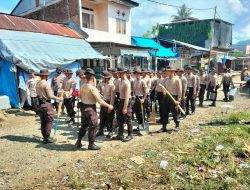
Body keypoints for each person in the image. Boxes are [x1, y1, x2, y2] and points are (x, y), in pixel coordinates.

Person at [75, 68, 113, 150]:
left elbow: (80, 97)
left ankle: (79, 141)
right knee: (93, 126)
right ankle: (91, 144)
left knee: (83, 126)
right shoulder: (92, 88)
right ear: (92, 77)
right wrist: (109, 106)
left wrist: (97, 95)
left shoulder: (83, 86)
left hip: (83, 107)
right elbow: (100, 102)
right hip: (90, 109)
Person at [36, 69, 62, 144]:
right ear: (46, 75)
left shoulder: (37, 83)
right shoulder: (46, 84)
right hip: (46, 104)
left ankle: (45, 137)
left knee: (43, 121)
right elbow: (50, 96)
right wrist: (59, 98)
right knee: (49, 120)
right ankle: (47, 137)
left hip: (40, 104)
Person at [158, 66, 182, 132]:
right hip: (166, 97)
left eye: (168, 71)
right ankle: (164, 127)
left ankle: (177, 125)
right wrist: (164, 91)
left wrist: (178, 100)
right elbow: (163, 87)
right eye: (166, 71)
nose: (166, 72)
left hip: (174, 97)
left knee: (175, 112)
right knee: (164, 112)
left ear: (172, 72)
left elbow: (179, 90)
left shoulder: (177, 80)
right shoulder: (165, 79)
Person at [114, 67, 133, 142]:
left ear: (123, 73)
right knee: (119, 117)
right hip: (121, 100)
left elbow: (127, 96)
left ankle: (130, 134)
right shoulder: (120, 81)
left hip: (126, 101)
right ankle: (120, 134)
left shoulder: (126, 82)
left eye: (119, 73)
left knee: (127, 118)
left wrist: (125, 107)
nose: (117, 74)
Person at [96, 71, 115, 138]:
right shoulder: (100, 83)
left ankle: (110, 131)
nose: (102, 78)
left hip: (109, 102)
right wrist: (99, 94)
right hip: (103, 102)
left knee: (110, 118)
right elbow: (97, 91)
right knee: (102, 117)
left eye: (104, 77)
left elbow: (113, 97)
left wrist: (111, 105)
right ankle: (101, 131)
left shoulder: (112, 85)